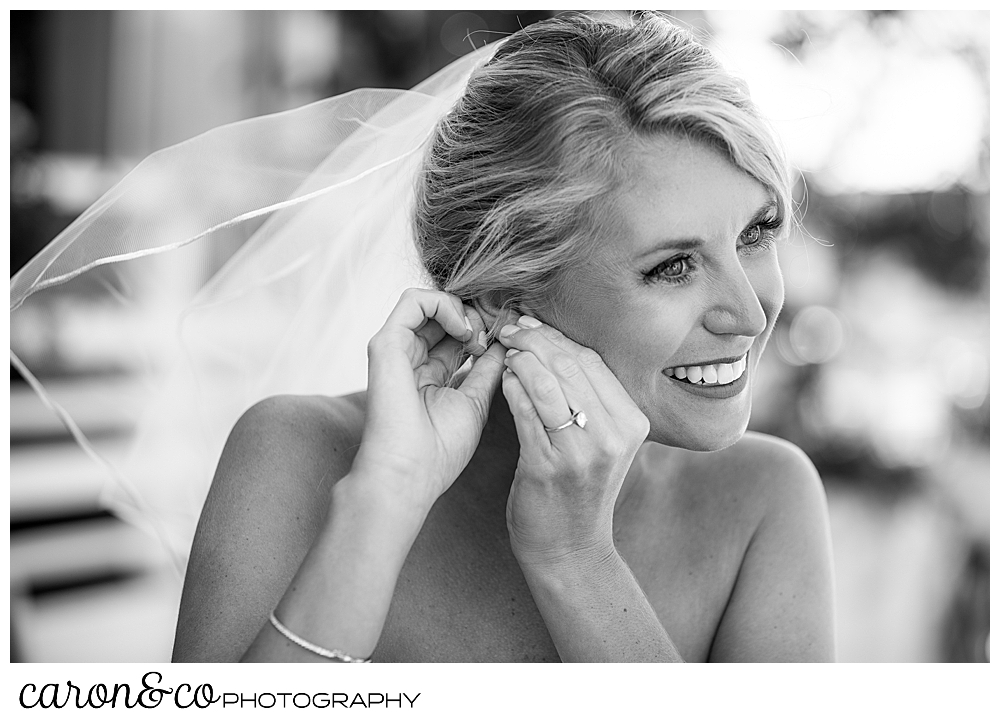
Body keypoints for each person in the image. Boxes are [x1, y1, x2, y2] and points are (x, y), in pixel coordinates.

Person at [169, 12, 836, 663]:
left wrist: (577, 558)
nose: (750, 314)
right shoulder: (298, 452)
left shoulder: (763, 498)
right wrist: (383, 501)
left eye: (755, 234)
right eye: (672, 267)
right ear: (504, 298)